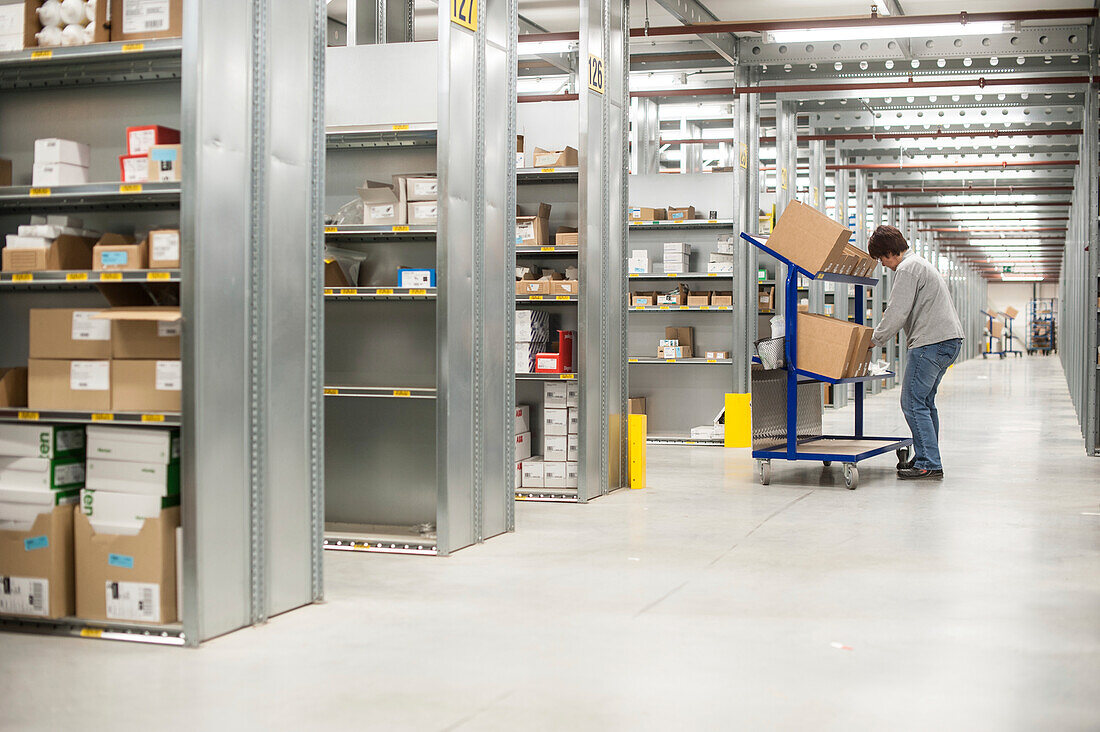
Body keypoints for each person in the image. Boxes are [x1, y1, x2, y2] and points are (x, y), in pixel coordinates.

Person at [868, 225, 965, 480]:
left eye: (882, 258)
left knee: (911, 402)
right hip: (948, 341)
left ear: (891, 252)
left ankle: (929, 463)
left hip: (930, 343)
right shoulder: (920, 264)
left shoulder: (907, 269)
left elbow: (897, 312)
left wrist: (874, 339)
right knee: (924, 402)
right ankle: (926, 455)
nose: (883, 264)